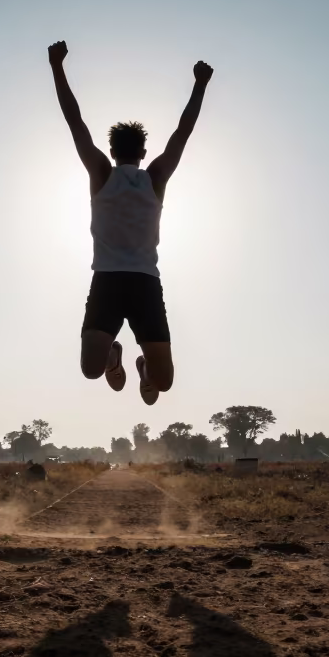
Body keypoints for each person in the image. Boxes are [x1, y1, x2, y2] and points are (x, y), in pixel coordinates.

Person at [48, 40, 213, 405]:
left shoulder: (109, 172)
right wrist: (199, 84)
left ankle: (140, 366)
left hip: (142, 283)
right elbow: (181, 133)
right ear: (142, 152)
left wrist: (56, 65)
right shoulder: (147, 175)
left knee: (161, 382)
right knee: (96, 369)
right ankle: (114, 354)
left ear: (112, 149)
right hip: (110, 279)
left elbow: (75, 122)